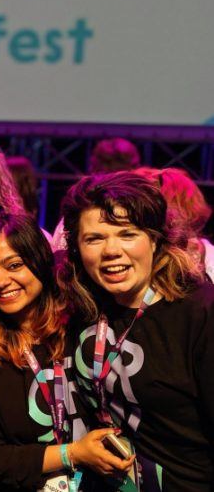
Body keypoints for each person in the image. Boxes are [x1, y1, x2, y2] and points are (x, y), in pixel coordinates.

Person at [0, 213, 132, 490]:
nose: (0, 282)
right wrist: (72, 453)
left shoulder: (81, 325)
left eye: (14, 265)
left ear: (39, 261)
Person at [58, 171, 214, 490]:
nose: (111, 250)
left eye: (128, 234)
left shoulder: (198, 312)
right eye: (95, 238)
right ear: (76, 247)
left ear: (155, 239)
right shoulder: (82, 304)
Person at [52, 138, 141, 251]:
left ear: (94, 167)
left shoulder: (80, 212)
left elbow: (59, 252)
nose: (111, 251)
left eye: (127, 235)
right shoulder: (140, 210)